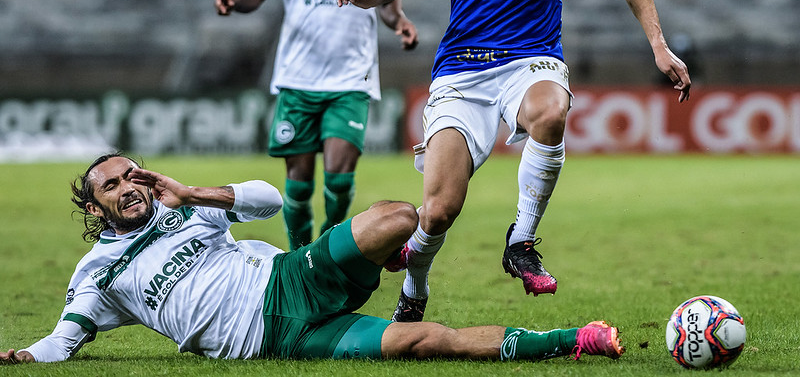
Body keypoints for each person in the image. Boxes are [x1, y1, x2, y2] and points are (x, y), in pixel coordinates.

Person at [338, 0, 692, 322]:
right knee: (437, 212)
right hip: (461, 71)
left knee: (551, 112)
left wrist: (659, 45)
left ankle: (521, 241)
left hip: (531, 60)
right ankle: (415, 285)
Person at [0, 153, 625, 363]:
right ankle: (577, 339)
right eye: (111, 186)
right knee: (426, 342)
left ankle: (389, 262)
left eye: (131, 175)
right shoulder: (98, 274)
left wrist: (193, 192)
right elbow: (65, 339)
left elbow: (269, 201)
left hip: (290, 274)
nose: (129, 187)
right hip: (284, 337)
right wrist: (27, 355)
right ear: (94, 209)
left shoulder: (186, 208)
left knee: (399, 217)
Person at [215, 0, 418, 251]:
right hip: (298, 77)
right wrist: (236, 1)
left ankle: (326, 251)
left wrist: (402, 24)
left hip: (351, 78)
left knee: (340, 178)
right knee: (299, 183)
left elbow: (388, 6)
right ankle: (299, 256)